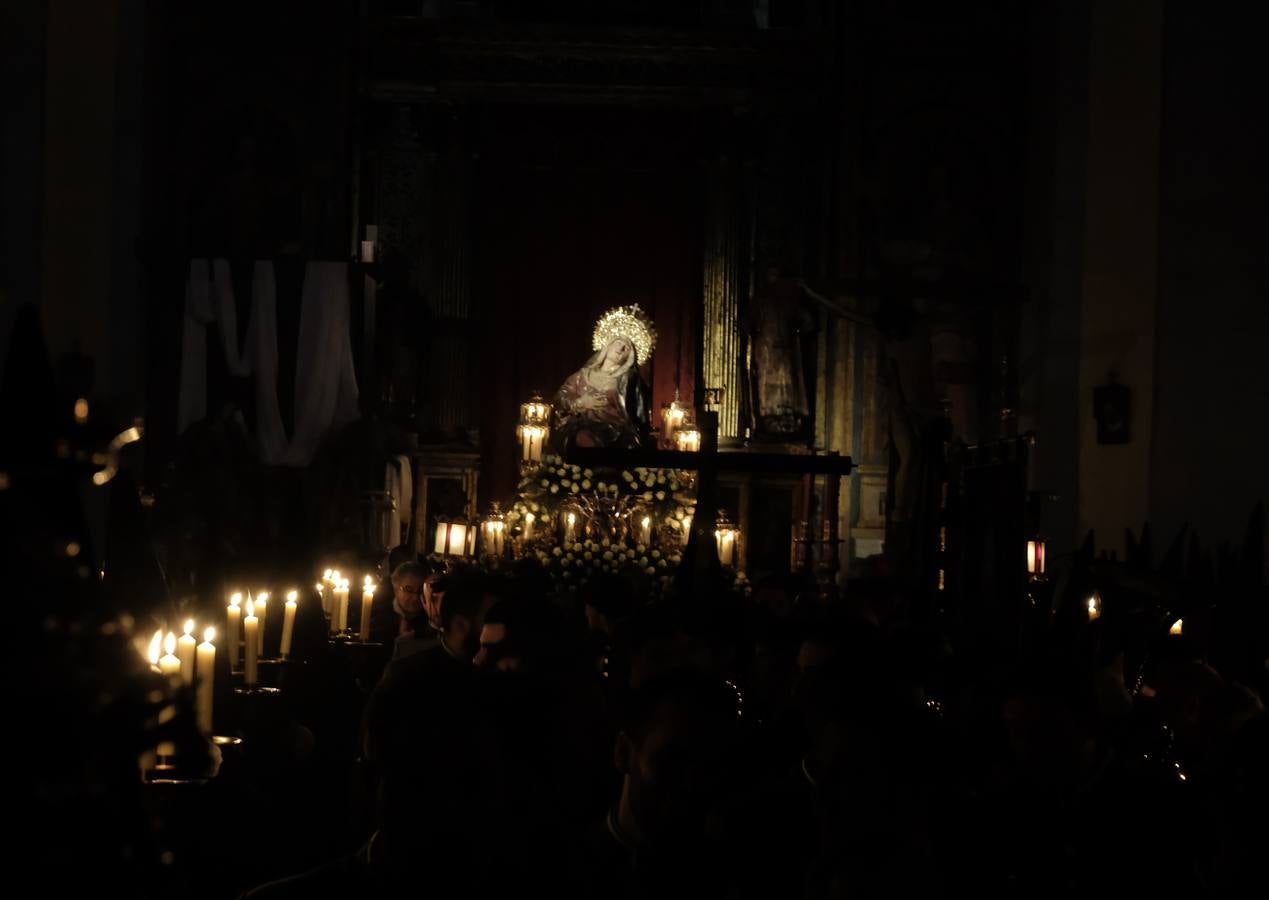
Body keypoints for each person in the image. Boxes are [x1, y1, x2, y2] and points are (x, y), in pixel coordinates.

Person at [551, 304, 656, 452]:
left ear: (629, 357)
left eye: (626, 348)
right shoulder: (584, 375)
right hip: (582, 428)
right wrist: (580, 402)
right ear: (607, 346)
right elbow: (561, 397)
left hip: (617, 433)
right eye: (618, 343)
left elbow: (639, 416)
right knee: (580, 437)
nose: (620, 349)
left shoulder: (629, 379)